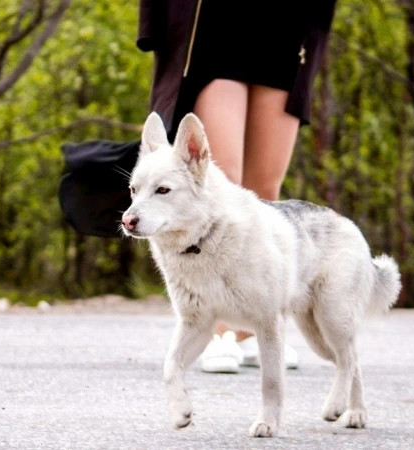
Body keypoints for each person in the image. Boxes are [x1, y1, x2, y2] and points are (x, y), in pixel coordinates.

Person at [137, 1, 338, 373]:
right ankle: (217, 330)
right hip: (216, 21)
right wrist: (154, 24)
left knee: (265, 191)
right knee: (219, 178)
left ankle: (252, 330)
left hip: (284, 25)